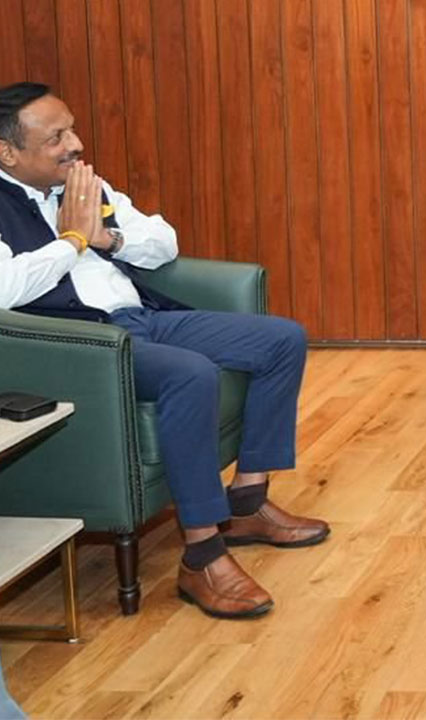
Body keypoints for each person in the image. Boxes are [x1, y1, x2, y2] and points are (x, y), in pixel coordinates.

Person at [0, 82, 328, 620]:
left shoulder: (82, 185)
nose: (75, 144)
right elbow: (6, 289)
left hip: (143, 318)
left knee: (280, 339)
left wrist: (108, 239)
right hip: (85, 343)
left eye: (73, 128)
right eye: (56, 137)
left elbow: (164, 241)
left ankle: (245, 503)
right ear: (7, 152)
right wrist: (72, 243)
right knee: (190, 374)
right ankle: (202, 555)